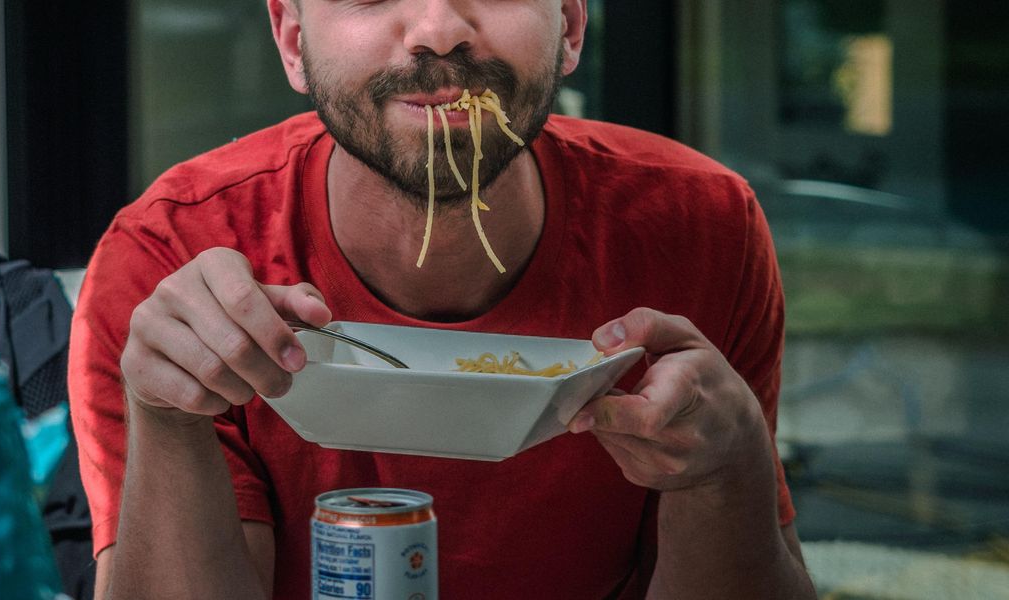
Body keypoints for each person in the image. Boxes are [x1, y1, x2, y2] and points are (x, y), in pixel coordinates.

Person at [67, 0, 817, 597]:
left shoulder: (700, 228)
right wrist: (166, 418)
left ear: (571, 27)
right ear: (293, 38)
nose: (437, 31)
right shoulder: (171, 262)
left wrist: (724, 475)